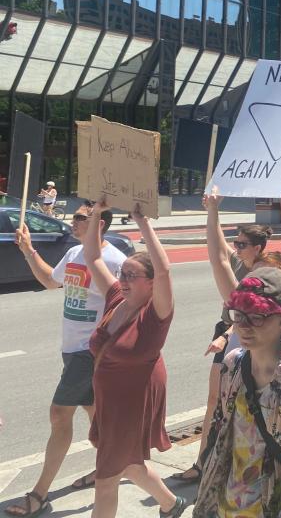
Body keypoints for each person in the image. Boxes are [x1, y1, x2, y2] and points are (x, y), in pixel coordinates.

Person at [171, 191, 281, 485]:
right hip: (244, 476)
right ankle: (206, 462)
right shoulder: (236, 358)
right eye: (241, 315)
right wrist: (213, 211)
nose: (246, 322)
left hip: (279, 468)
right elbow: (219, 260)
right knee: (222, 410)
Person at [6, 202, 127, 518]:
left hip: (89, 353)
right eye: (73, 216)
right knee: (97, 420)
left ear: (99, 223)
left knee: (60, 415)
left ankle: (39, 494)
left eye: (80, 218)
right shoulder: (74, 254)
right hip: (71, 349)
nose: (72, 221)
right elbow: (50, 281)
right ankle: (115, 470)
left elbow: (129, 305)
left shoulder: (114, 260)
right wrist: (29, 250)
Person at [194, 267, 281, 516]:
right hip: (228, 505)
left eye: (258, 315)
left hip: (275, 506)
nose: (244, 326)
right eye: (239, 314)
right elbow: (223, 438)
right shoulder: (233, 363)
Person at [82, 200, 185, 518]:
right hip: (110, 398)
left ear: (151, 283)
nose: (123, 280)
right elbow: (93, 256)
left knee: (106, 479)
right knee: (128, 463)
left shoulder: (156, 314)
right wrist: (96, 215)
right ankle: (171, 504)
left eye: (132, 275)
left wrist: (142, 222)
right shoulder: (116, 297)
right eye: (122, 273)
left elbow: (165, 269)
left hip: (132, 400)